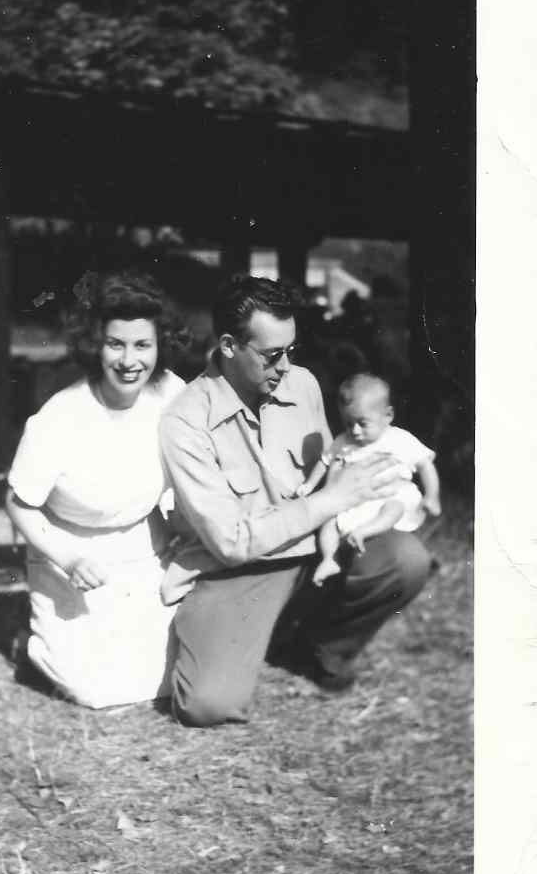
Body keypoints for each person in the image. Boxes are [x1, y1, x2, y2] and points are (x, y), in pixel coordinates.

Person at [159, 275, 433, 727]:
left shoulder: (301, 384)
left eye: (291, 350)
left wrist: (366, 498)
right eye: (272, 355)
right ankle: (269, 634)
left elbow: (331, 470)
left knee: (406, 560)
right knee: (206, 703)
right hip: (238, 573)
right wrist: (331, 500)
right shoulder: (186, 421)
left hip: (312, 553)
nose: (285, 365)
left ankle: (321, 649)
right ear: (228, 346)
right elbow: (230, 544)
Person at [6, 270, 188, 709]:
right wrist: (67, 559)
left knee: (169, 680)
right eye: (116, 344)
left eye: (142, 345)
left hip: (143, 550)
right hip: (69, 556)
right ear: (95, 345)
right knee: (99, 693)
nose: (129, 361)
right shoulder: (59, 417)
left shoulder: (173, 395)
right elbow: (18, 504)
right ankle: (33, 641)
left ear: (159, 346)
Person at [298, 373, 441, 586]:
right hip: (354, 501)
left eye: (362, 423)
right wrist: (309, 484)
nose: (354, 431)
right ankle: (329, 559)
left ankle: (364, 532)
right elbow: (324, 461)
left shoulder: (399, 439)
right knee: (329, 523)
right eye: (348, 423)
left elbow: (425, 465)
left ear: (388, 415)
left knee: (394, 507)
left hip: (390, 495)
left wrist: (432, 496)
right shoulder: (343, 442)